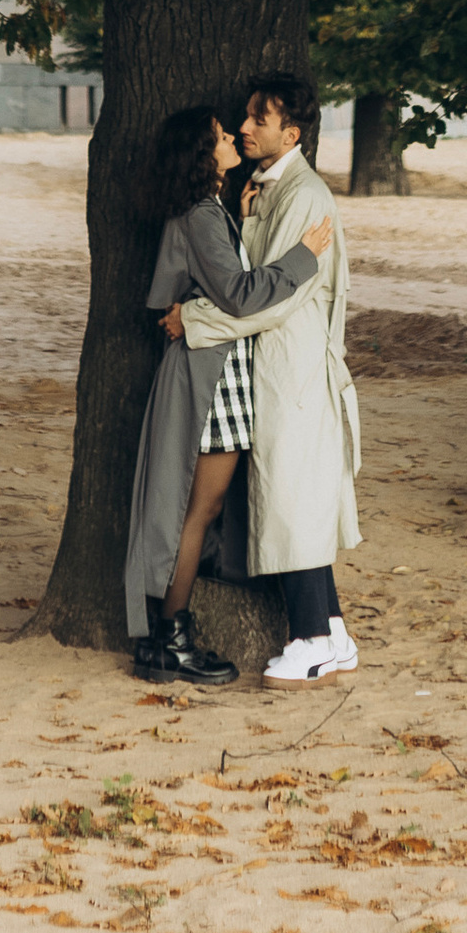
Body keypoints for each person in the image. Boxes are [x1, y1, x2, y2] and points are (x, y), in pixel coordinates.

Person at [123, 105, 335, 685]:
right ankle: (169, 641)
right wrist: (303, 258)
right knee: (197, 512)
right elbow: (241, 296)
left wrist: (236, 225)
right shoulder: (201, 216)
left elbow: (212, 281)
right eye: (220, 135)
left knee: (198, 511)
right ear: (203, 152)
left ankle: (167, 638)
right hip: (211, 379)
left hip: (216, 373)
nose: (232, 137)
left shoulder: (211, 212)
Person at [175, 71, 360, 683]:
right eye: (246, 117)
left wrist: (192, 319)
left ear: (293, 132)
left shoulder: (304, 195)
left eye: (260, 118)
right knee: (291, 498)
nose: (246, 127)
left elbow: (270, 300)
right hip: (276, 363)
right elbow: (258, 272)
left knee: (290, 500)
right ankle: (330, 630)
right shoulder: (269, 188)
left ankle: (310, 638)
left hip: (293, 365)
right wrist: (248, 218)